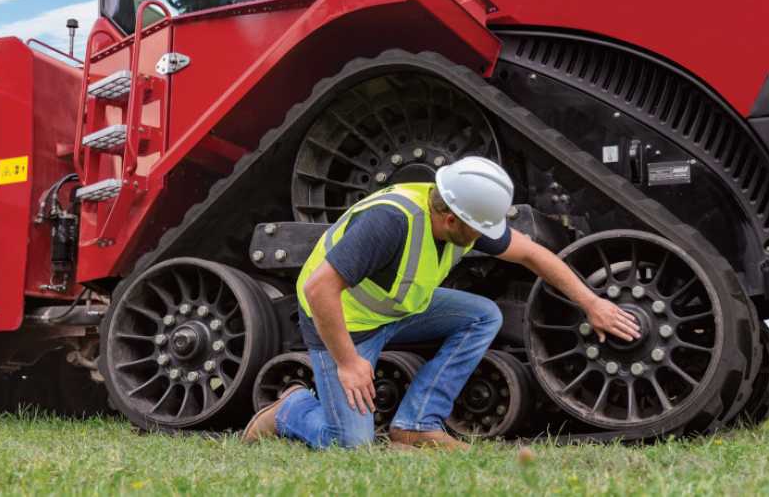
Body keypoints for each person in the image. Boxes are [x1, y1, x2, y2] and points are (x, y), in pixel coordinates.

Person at [242, 157, 641, 450]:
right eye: (477, 230)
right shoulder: (389, 223)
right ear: (451, 219)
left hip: (396, 311)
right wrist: (348, 362)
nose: (485, 237)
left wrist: (593, 303)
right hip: (344, 321)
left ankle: (417, 423)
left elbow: (533, 255)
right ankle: (291, 409)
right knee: (348, 445)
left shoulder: (457, 215)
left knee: (483, 316)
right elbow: (318, 290)